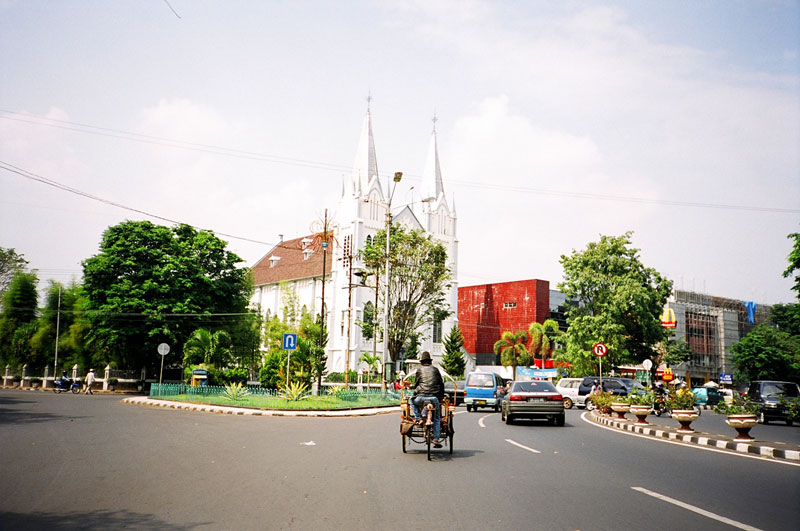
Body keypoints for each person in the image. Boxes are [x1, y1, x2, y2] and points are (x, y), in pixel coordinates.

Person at [410, 351, 445, 448]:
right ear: (430, 362)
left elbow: (416, 384)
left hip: (421, 397)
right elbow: (441, 384)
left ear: (422, 362)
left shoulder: (419, 370)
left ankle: (418, 418)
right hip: (434, 398)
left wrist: (415, 390)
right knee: (437, 418)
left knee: (411, 400)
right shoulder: (436, 370)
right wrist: (441, 397)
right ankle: (436, 439)